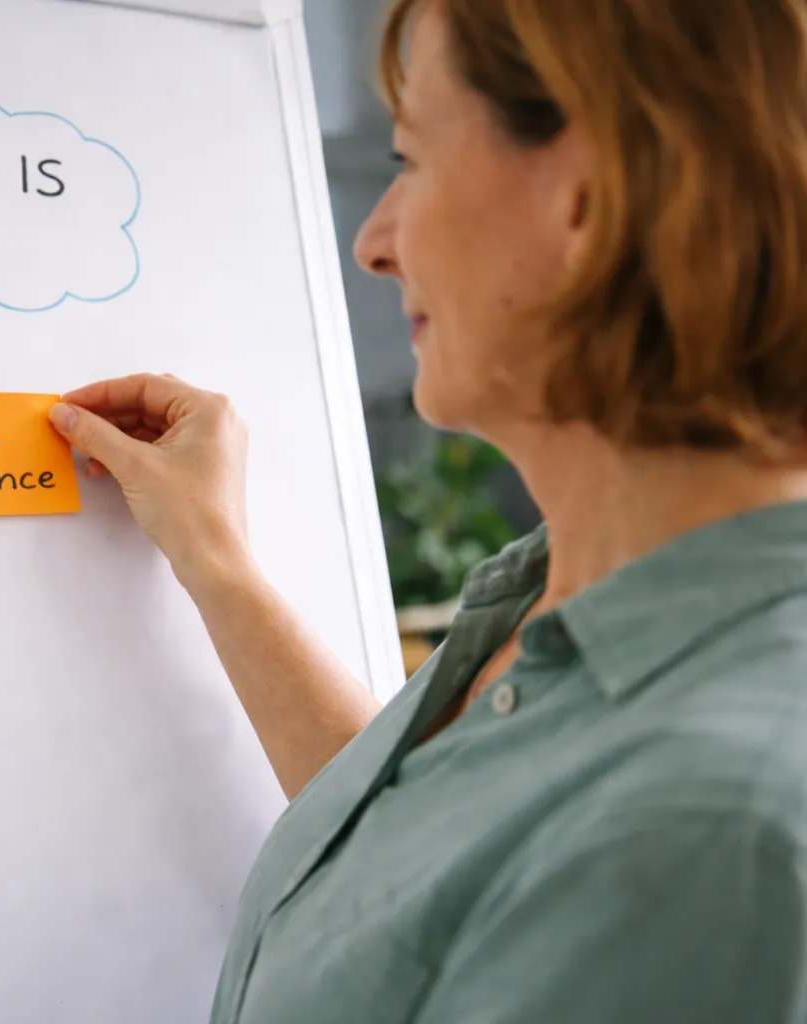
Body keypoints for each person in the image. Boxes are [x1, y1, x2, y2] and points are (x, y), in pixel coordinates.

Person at [47, 0, 807, 1020]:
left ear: (590, 200)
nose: (372, 243)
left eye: (411, 159)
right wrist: (214, 559)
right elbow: (426, 882)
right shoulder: (572, 590)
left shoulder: (710, 833)